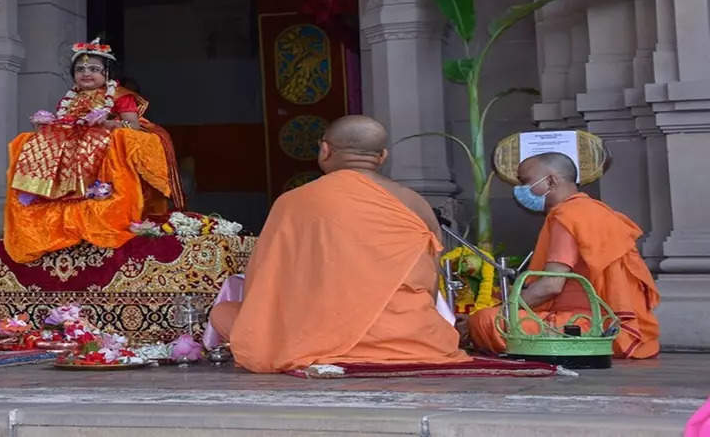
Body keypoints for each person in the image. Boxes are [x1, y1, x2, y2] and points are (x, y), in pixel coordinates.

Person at [208, 115, 469, 373]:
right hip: (415, 338)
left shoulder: (294, 202)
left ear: (324, 149)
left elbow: (266, 284)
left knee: (224, 313)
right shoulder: (416, 204)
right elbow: (431, 285)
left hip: (316, 338)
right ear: (382, 156)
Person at [3, 40, 184, 263]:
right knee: (29, 141)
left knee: (98, 139)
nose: (86, 73)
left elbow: (133, 127)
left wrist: (109, 125)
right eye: (80, 69)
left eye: (93, 69)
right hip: (72, 142)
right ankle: (44, 193)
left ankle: (96, 196)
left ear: (107, 72)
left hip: (101, 143)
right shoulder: (71, 98)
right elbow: (64, 121)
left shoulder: (120, 95)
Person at [465, 152, 660, 358]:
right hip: (610, 322)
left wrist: (504, 310)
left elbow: (551, 285)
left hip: (590, 325)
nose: (520, 190)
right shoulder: (595, 212)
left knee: (485, 320)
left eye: (525, 182)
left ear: (551, 180)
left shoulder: (568, 216)